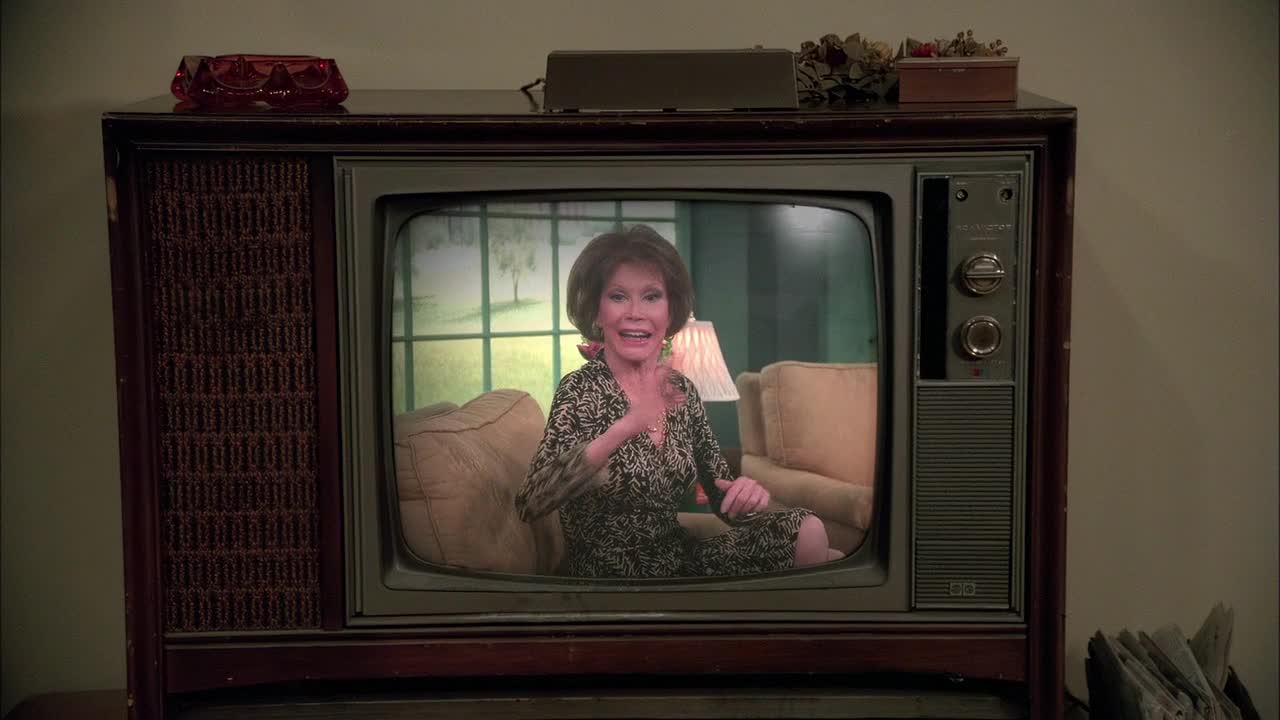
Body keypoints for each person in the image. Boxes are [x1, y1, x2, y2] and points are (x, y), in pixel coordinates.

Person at [515, 225, 839, 578]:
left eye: (651, 296)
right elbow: (532, 502)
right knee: (825, 558)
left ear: (670, 313)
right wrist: (626, 427)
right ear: (596, 311)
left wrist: (745, 497)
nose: (635, 312)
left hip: (678, 561)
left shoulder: (680, 389)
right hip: (611, 575)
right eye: (618, 296)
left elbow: (721, 495)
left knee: (807, 530)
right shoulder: (579, 390)